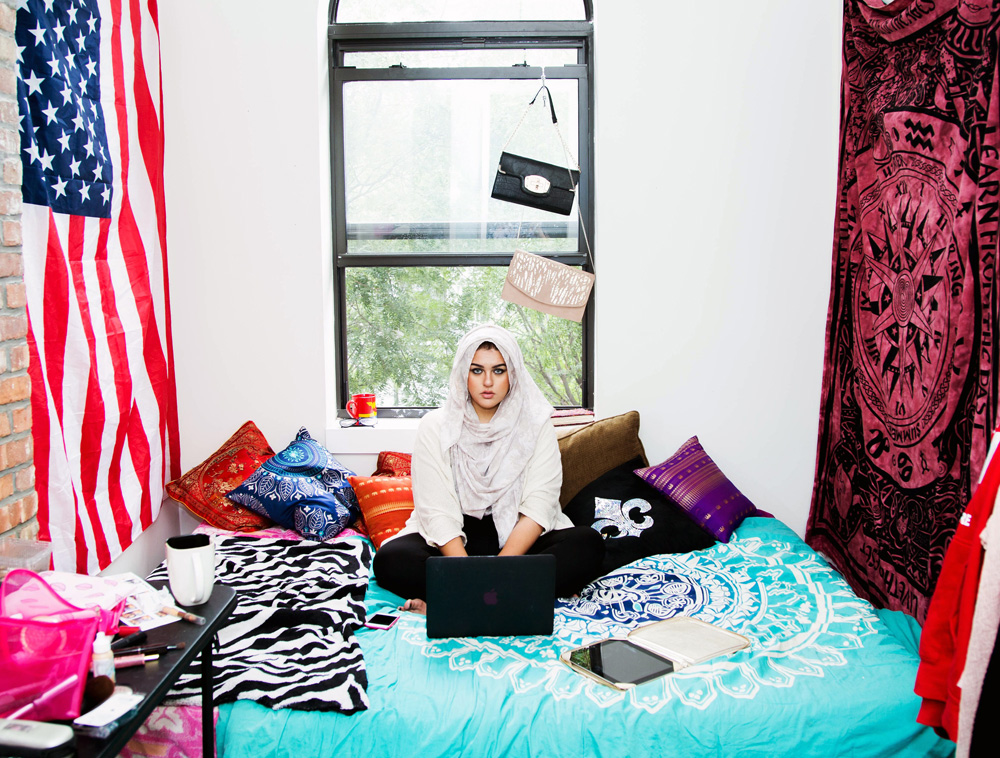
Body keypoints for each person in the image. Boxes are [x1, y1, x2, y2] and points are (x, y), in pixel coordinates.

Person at [373, 324, 605, 612]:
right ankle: (504, 600)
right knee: (392, 560)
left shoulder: (536, 424)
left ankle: (456, 604)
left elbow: (539, 505)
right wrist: (474, 575)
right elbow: (437, 512)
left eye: (498, 370)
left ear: (513, 374)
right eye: (476, 370)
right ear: (463, 373)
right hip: (455, 540)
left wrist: (495, 572)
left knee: (586, 544)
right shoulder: (435, 426)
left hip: (518, 537)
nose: (487, 382)